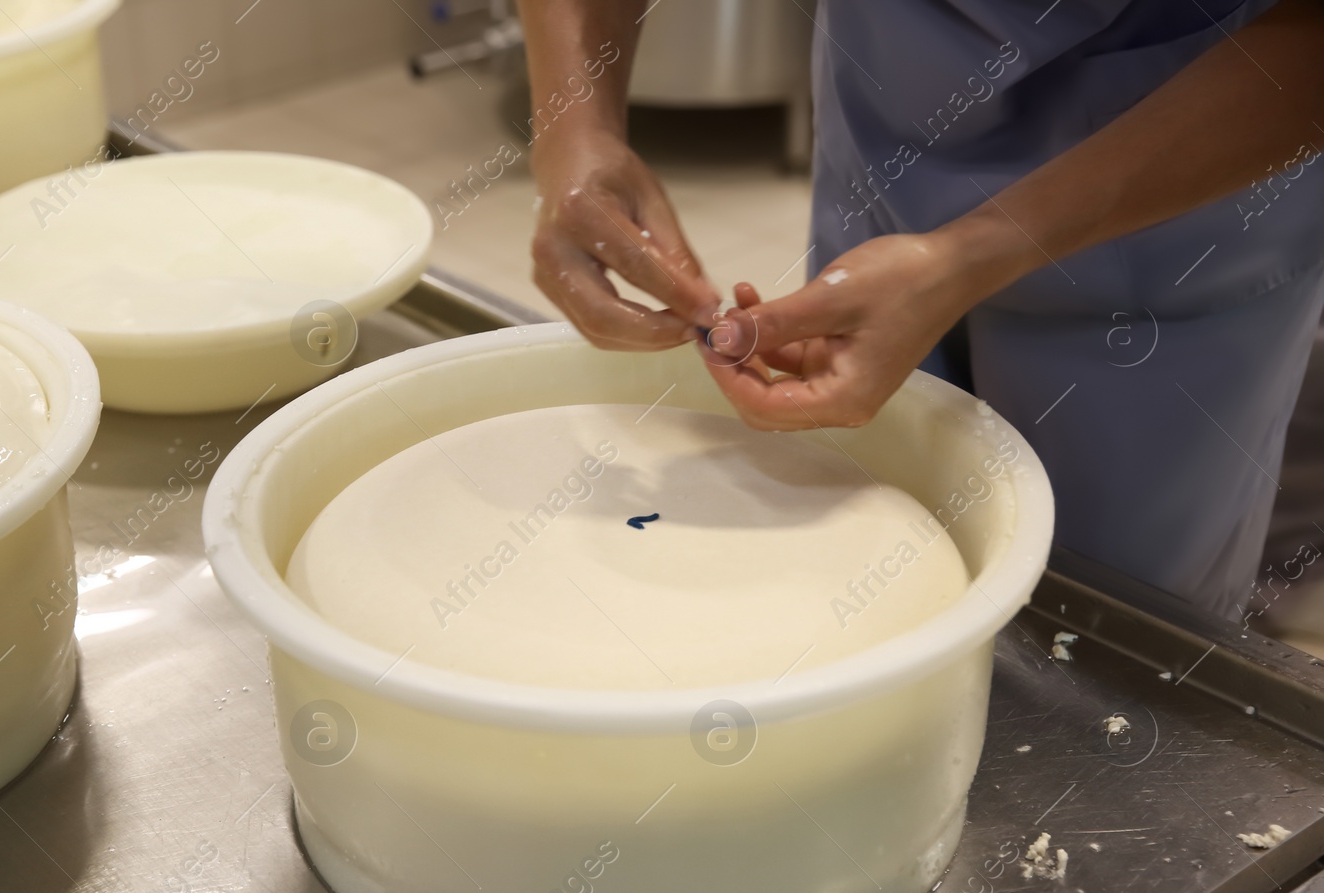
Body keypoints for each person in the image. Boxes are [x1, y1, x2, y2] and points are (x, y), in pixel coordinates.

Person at [516, 0, 1324, 619]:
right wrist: (574, 120)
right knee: (851, 569)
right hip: (887, 123)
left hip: (1177, 214)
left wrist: (970, 253)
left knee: (1097, 645)